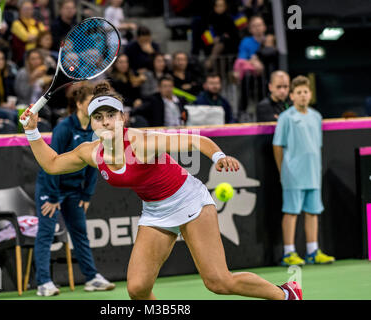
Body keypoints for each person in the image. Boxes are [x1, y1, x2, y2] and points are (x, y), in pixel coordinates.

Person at [20, 81, 303, 300]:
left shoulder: (143, 143)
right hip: (155, 211)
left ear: (122, 118)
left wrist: (218, 157)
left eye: (111, 115)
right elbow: (53, 164)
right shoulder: (90, 152)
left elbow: (197, 141)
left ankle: (285, 293)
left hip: (189, 200)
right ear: (92, 122)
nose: (105, 122)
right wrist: (32, 131)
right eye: (99, 117)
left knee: (218, 282)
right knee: (138, 288)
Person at [34, 82, 115, 296]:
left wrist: (86, 194)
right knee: (46, 233)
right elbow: (49, 163)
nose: (94, 108)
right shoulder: (64, 128)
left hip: (74, 191)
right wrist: (52, 197)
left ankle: (92, 278)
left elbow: (93, 163)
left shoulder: (95, 130)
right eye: (90, 103)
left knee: (80, 233)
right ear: (79, 104)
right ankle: (44, 283)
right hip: (51, 189)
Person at [272, 75, 335, 267]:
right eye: (298, 93)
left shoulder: (317, 117)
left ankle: (312, 251)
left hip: (313, 173)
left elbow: (317, 146)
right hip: (292, 173)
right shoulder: (285, 118)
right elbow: (277, 145)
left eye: (305, 92)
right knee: (291, 212)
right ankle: (289, 252)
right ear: (292, 96)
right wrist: (282, 170)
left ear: (310, 94)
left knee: (313, 212)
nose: (302, 96)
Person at [14, 48, 53, 123]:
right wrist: (33, 78)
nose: (36, 61)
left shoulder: (44, 73)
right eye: (33, 59)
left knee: (47, 111)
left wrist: (46, 85)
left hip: (41, 106)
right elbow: (22, 94)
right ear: (28, 61)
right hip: (25, 105)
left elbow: (47, 95)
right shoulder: (23, 73)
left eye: (38, 58)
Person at [10, 0, 46, 66]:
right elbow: (26, 38)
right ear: (19, 10)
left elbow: (45, 35)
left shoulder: (37, 22)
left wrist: (36, 37)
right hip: (25, 53)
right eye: (26, 9)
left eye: (31, 9)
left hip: (40, 50)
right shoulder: (17, 23)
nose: (28, 11)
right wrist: (39, 37)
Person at [233, 15, 266, 82]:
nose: (257, 28)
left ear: (264, 27)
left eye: (259, 25)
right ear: (250, 30)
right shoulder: (245, 41)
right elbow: (241, 60)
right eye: (254, 26)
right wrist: (253, 62)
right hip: (251, 75)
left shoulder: (269, 39)